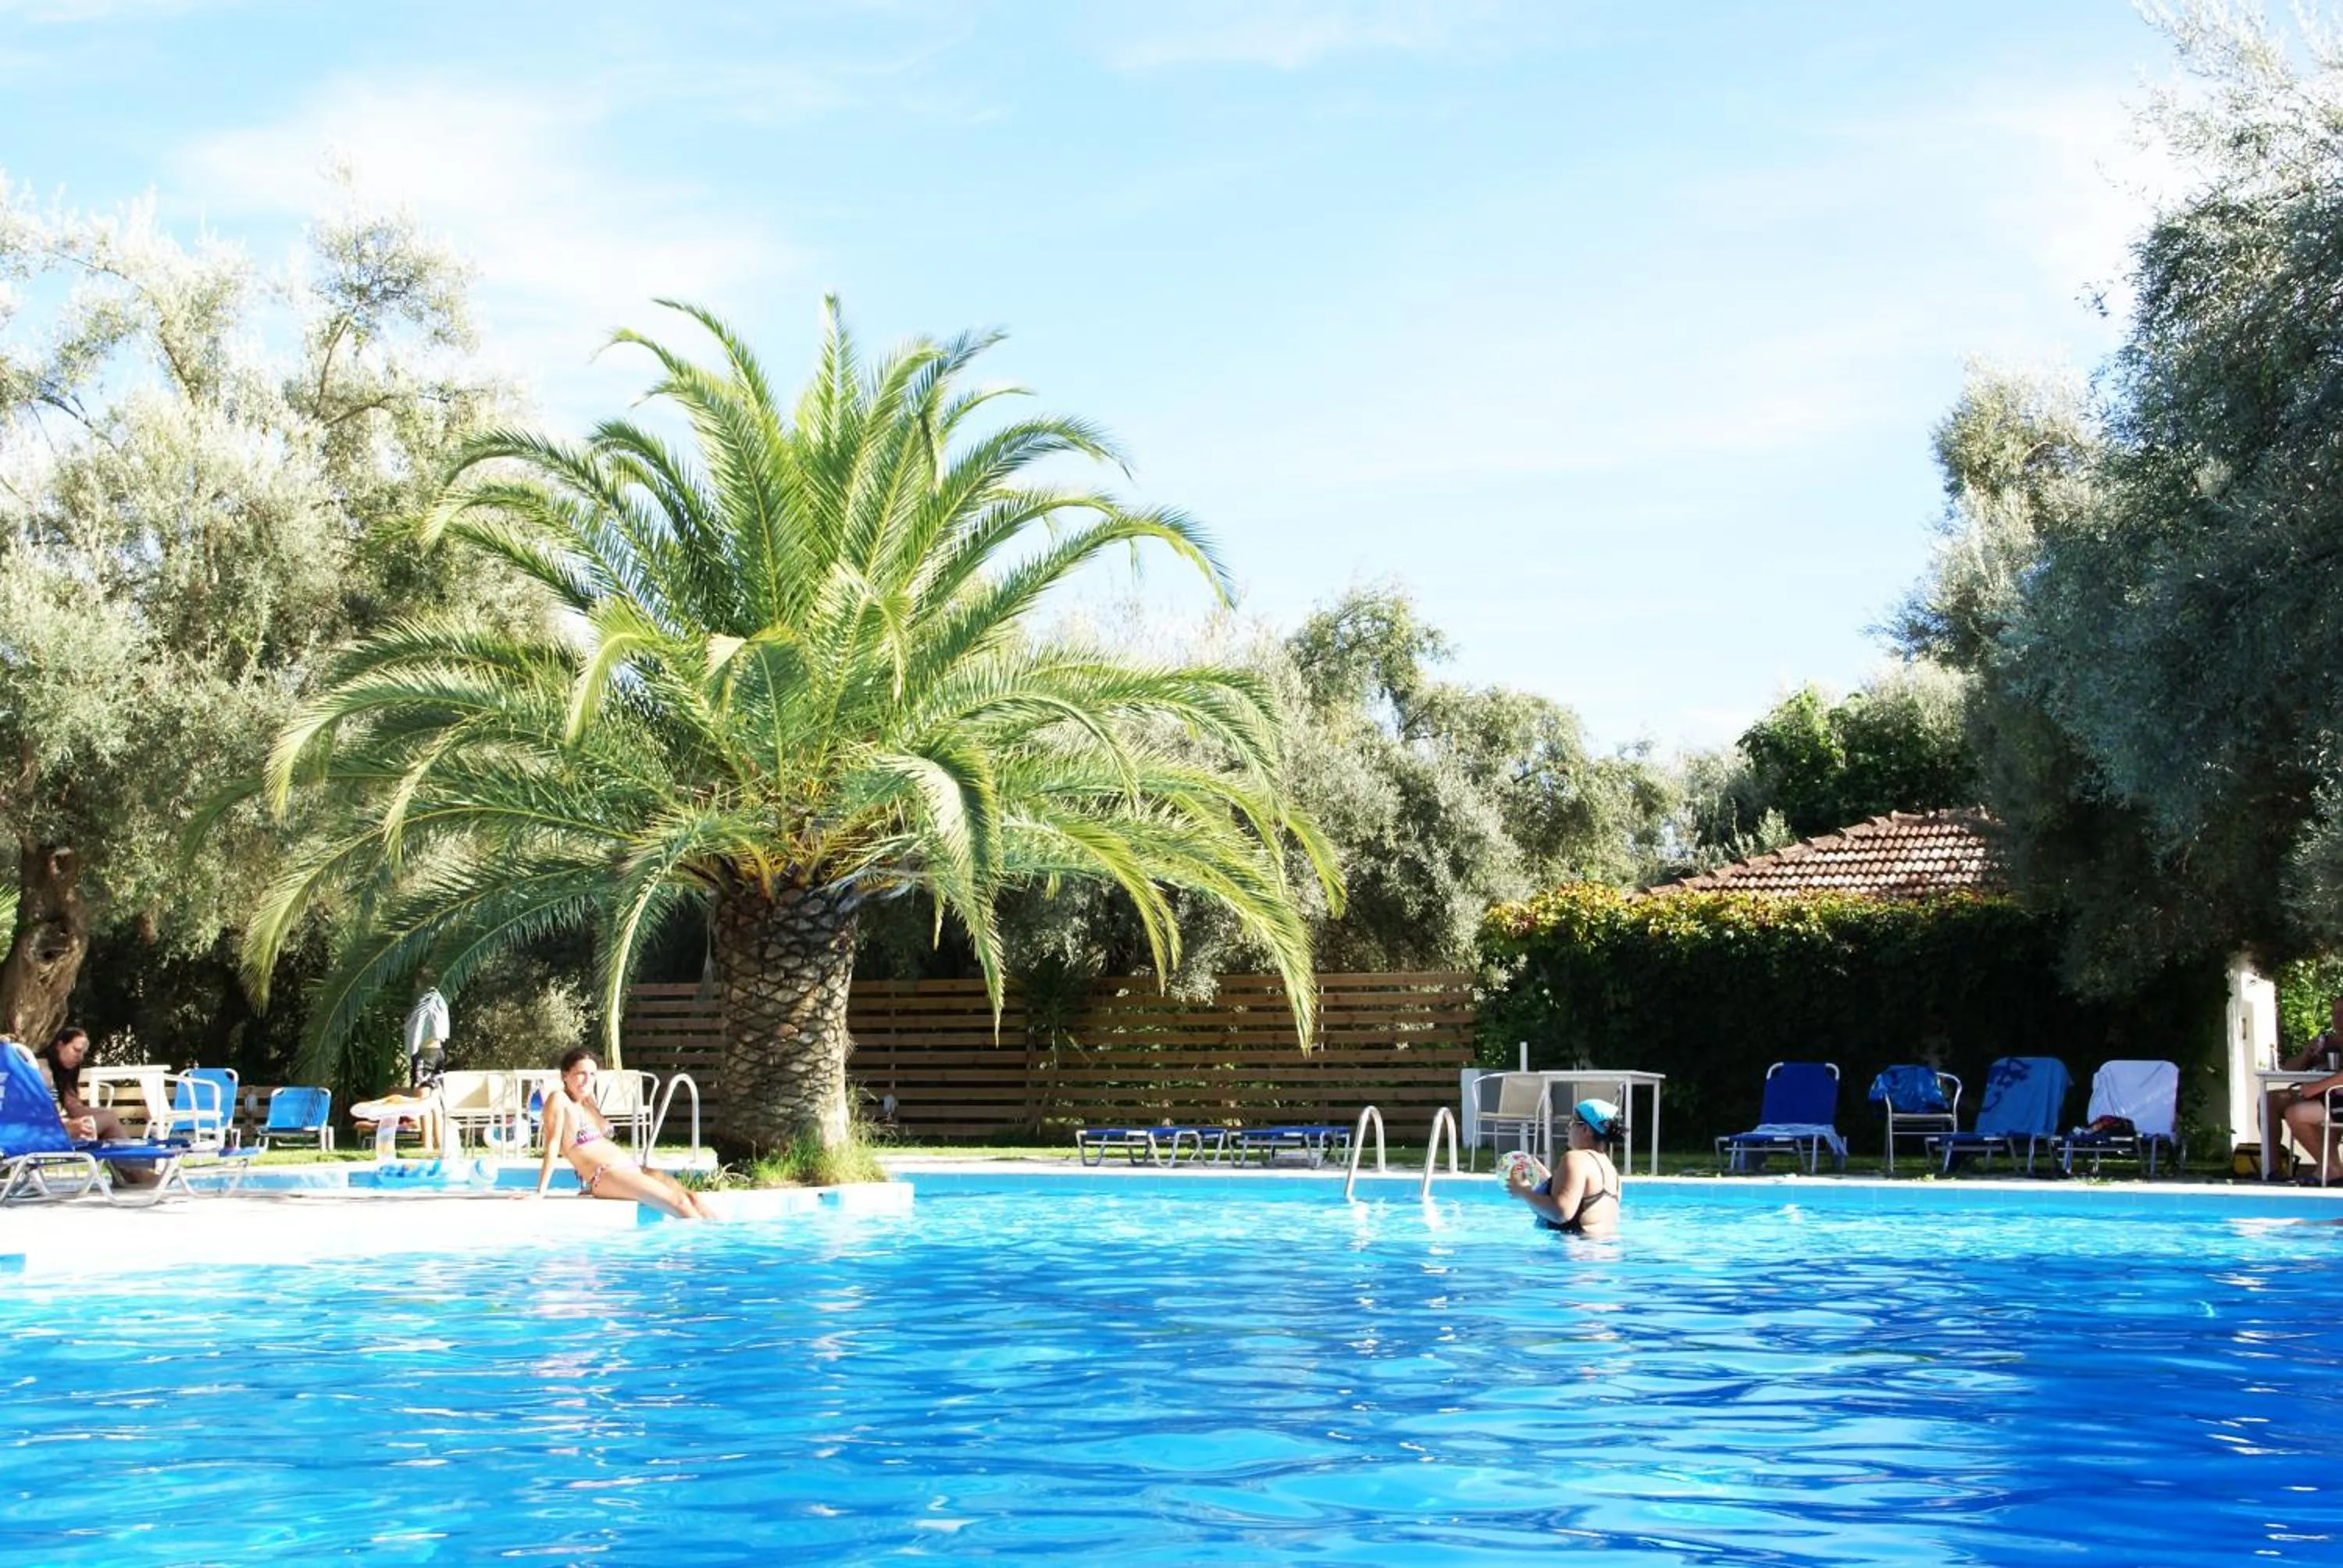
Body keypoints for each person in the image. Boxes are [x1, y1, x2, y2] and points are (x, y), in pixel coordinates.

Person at [530, 1047, 715, 1219]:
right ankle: (702, 1242)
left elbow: (597, 1145)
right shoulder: (559, 1099)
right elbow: (553, 1145)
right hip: (607, 1174)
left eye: (592, 1074)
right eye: (581, 1074)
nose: (587, 1080)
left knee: (692, 1199)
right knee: (680, 1203)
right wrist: (540, 1191)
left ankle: (719, 1236)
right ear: (565, 1075)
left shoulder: (588, 1103)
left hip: (630, 1168)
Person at [34, 1026, 159, 1186]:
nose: (79, 1057)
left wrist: (101, 1114)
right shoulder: (42, 1070)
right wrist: (69, 1123)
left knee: (108, 1118)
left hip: (57, 1128)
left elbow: (74, 1108)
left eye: (83, 1053)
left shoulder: (61, 1072)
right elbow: (37, 1114)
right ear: (60, 1045)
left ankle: (130, 1174)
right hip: (48, 1132)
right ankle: (135, 1173)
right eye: (76, 1050)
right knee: (108, 1119)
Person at [1505, 1097, 1621, 1237]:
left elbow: (1561, 1213)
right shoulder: (1610, 1169)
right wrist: (1547, 1180)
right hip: (1603, 1247)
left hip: (1576, 1247)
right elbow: (1580, 1202)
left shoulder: (1575, 1158)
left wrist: (1523, 1191)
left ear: (1585, 1129)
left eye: (1572, 1122)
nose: (1568, 1128)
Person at [2270, 996, 2343, 1180]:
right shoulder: (2323, 1042)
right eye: (2334, 1013)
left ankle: (2330, 1168)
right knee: (2271, 1100)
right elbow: (2289, 1070)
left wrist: (2315, 1088)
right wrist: (2307, 1054)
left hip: (2332, 1095)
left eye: (2342, 1013)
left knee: (2303, 1114)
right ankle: (2273, 1170)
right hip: (2323, 1095)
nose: (2338, 1018)